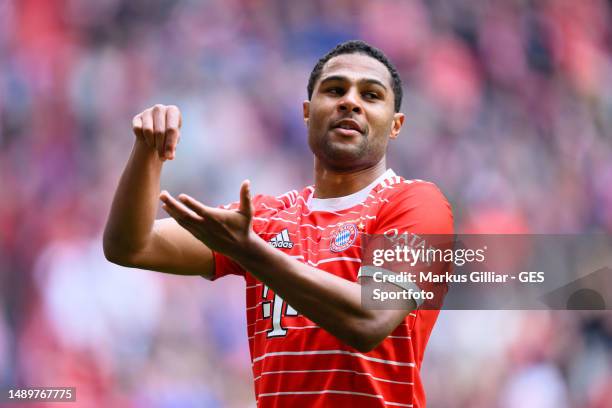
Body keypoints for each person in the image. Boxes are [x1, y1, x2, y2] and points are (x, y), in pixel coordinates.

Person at [104, 40, 453, 408]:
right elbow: (130, 246)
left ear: (395, 124)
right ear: (306, 111)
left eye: (371, 95)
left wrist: (251, 252)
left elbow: (369, 320)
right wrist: (148, 152)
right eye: (335, 90)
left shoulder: (415, 203)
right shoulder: (266, 219)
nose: (350, 101)